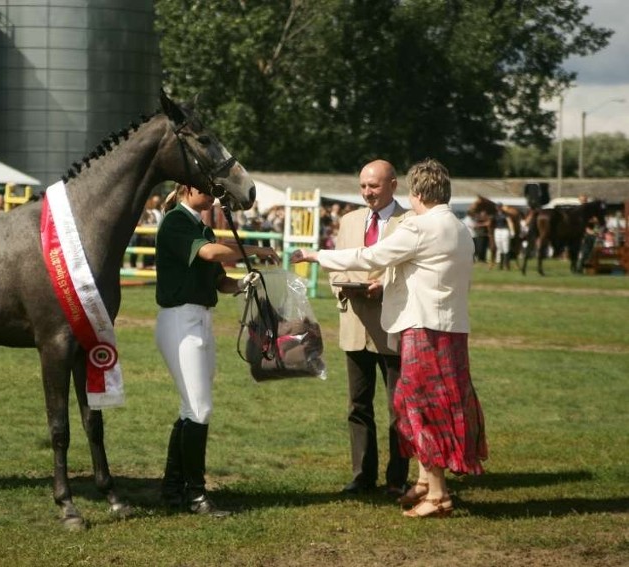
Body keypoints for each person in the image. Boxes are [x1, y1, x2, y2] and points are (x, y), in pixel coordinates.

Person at [291, 158, 487, 519]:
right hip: (452, 329)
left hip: (424, 329)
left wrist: (316, 254)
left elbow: (370, 256)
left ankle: (439, 496)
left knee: (421, 408)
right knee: (440, 404)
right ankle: (426, 481)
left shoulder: (420, 226)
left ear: (416, 192)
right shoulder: (459, 228)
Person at [155, 183, 280, 517]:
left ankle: (172, 489)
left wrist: (241, 285)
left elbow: (219, 280)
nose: (211, 195)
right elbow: (209, 253)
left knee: (190, 408)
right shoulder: (175, 221)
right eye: (204, 189)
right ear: (184, 189)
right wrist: (255, 249)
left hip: (200, 318)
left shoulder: (201, 227)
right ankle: (195, 495)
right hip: (181, 319)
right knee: (199, 408)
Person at [331, 159, 412, 498]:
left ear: (393, 185)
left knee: (398, 408)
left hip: (391, 328)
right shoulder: (348, 220)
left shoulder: (410, 221)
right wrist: (343, 285)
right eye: (363, 186)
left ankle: (397, 479)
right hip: (354, 326)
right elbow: (335, 267)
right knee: (357, 406)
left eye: (374, 186)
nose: (367, 193)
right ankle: (362, 476)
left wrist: (385, 286)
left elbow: (412, 273)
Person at [492, 203, 511, 270]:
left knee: (505, 247)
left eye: (499, 206)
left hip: (504, 230)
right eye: (497, 207)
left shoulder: (506, 214)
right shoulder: (495, 215)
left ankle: (507, 265)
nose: (498, 208)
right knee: (499, 247)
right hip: (497, 230)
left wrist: (512, 231)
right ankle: (500, 265)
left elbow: (509, 222)